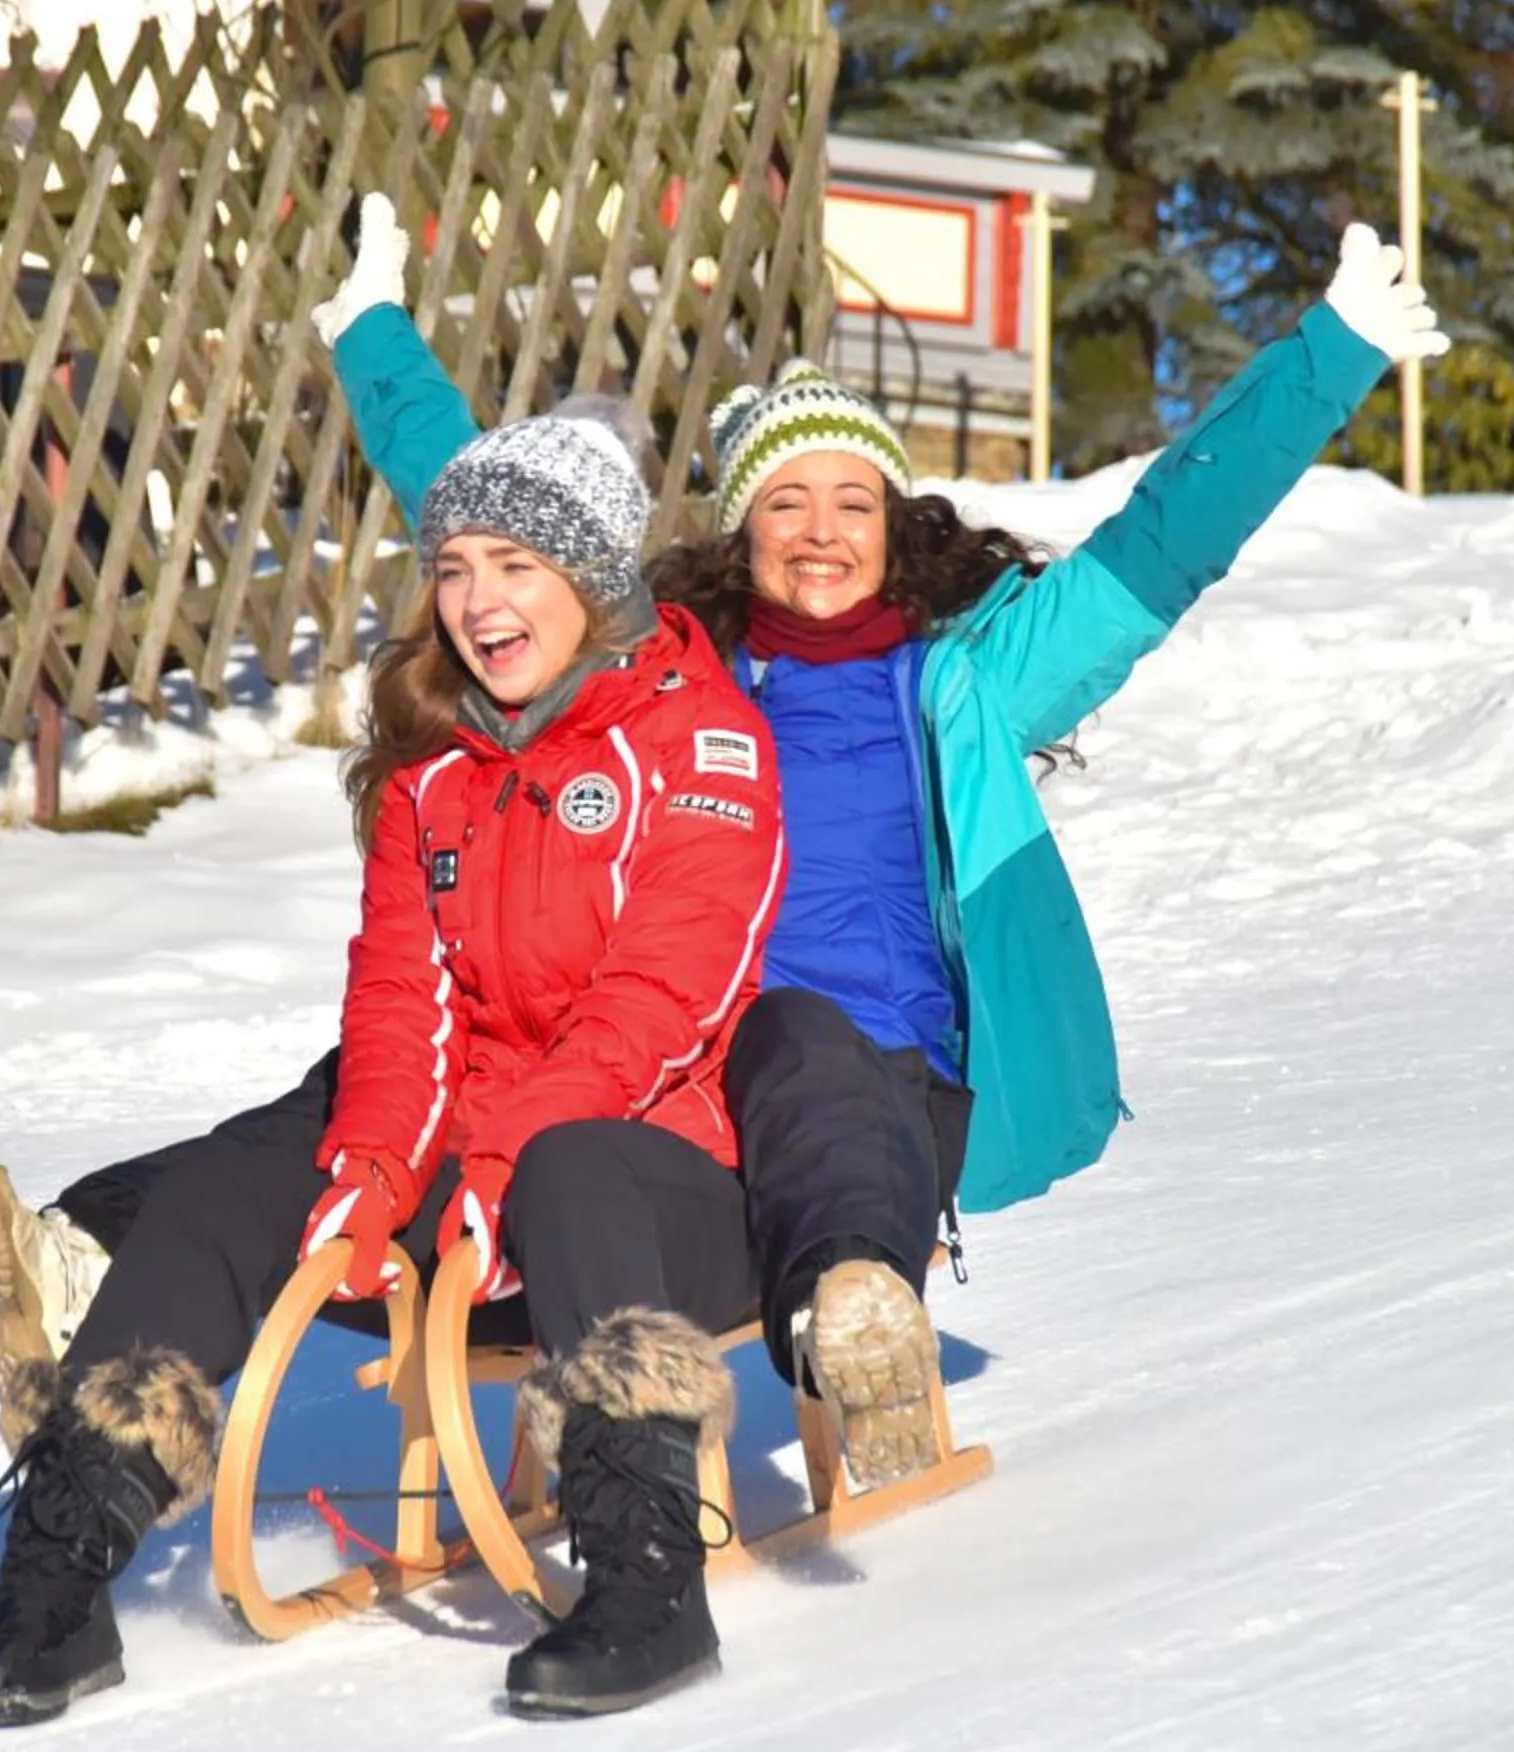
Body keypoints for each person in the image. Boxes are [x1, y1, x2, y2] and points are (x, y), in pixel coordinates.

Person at [314, 194, 1451, 1490]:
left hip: (884, 1081)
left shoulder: (974, 681)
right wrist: (372, 341)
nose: (819, 530)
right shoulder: (676, 673)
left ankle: (858, 1326)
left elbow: (1159, 551)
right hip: (685, 1061)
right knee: (458, 1067)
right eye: (785, 501)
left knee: (808, 1049)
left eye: (850, 499)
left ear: (890, 519)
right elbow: (493, 534)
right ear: (743, 528)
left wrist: (1331, 354)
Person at [0, 399, 787, 1727]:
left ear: (599, 577)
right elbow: (402, 1004)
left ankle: (648, 1577)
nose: (477, 602)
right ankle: (59, 1563)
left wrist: (505, 1166)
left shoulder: (703, 744)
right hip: (478, 1205)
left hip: (654, 1202)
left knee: (572, 1164)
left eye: (516, 565)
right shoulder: (434, 780)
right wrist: (376, 1171)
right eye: (452, 569)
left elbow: (662, 1001)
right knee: (228, 1189)